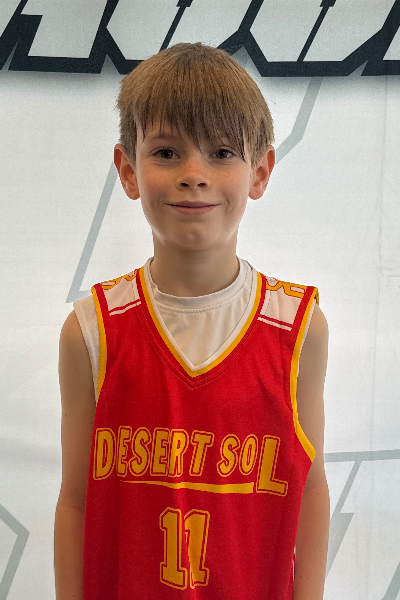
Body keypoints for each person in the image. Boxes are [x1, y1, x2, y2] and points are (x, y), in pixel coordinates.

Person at [54, 42, 330, 600]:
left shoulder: (299, 327)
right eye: (166, 152)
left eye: (222, 152)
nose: (194, 174)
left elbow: (309, 489)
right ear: (128, 170)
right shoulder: (91, 330)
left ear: (260, 171)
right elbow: (76, 501)